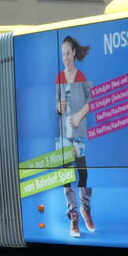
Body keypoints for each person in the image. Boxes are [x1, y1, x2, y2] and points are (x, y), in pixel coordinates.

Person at [56, 35, 93, 237]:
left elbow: (91, 100)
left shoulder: (81, 77)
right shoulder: (59, 78)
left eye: (68, 53)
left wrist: (78, 115)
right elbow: (56, 103)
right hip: (63, 135)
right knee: (67, 175)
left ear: (74, 53)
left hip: (77, 133)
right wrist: (58, 107)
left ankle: (85, 208)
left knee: (83, 173)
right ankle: (73, 215)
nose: (65, 57)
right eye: (63, 54)